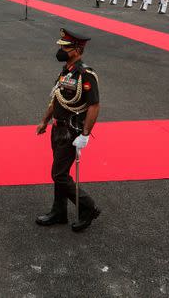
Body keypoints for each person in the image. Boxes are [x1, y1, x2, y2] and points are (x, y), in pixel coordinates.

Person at [35, 28, 101, 232]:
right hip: (58, 128)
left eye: (64, 47)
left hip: (72, 131)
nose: (60, 50)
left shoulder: (85, 75)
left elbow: (94, 106)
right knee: (59, 172)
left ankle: (89, 207)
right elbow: (57, 98)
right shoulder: (66, 70)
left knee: (59, 175)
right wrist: (44, 121)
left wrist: (85, 135)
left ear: (77, 50)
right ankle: (59, 212)